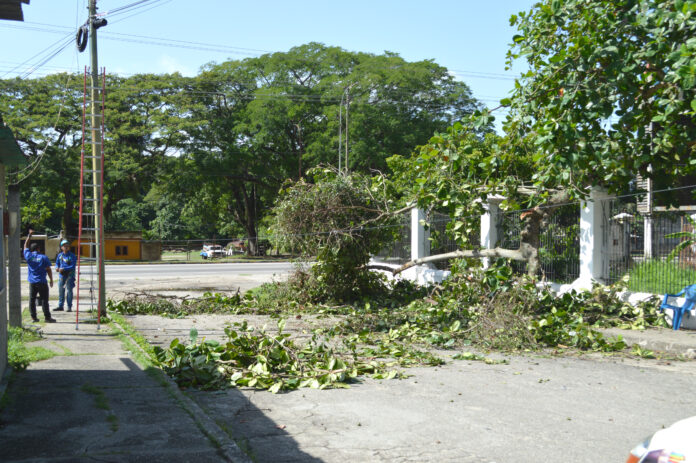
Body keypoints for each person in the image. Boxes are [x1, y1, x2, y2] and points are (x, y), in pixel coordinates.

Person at [23, 229, 56, 323]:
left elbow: (25, 246)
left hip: (32, 282)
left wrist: (29, 236)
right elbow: (48, 270)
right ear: (38, 249)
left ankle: (34, 318)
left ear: (31, 249)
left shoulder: (28, 256)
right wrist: (51, 280)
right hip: (42, 282)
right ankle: (47, 317)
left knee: (32, 300)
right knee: (45, 300)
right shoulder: (43, 257)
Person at [54, 238, 77, 312]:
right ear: (61, 247)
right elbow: (57, 263)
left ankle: (69, 306)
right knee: (61, 291)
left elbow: (72, 266)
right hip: (61, 275)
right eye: (64, 246)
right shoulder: (60, 256)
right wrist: (57, 268)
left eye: (67, 246)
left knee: (69, 291)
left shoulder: (72, 256)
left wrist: (64, 269)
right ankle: (60, 306)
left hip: (70, 275)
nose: (66, 247)